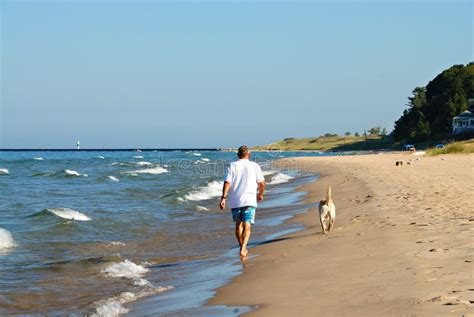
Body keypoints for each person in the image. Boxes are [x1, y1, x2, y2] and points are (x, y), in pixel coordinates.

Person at [219, 145, 266, 258]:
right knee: (247, 224)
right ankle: (243, 248)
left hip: (235, 200)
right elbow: (262, 183)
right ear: (248, 155)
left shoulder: (232, 165)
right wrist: (260, 194)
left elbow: (227, 182)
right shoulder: (254, 166)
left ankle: (242, 247)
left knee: (238, 224)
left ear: (238, 155)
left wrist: (223, 198)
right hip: (249, 199)